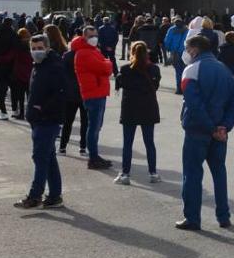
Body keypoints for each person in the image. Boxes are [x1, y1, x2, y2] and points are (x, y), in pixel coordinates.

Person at [176, 34, 234, 231]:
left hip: (198, 131)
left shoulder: (191, 70)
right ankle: (224, 216)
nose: (186, 54)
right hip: (220, 132)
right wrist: (224, 126)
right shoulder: (224, 70)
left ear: (194, 50)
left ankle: (192, 218)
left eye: (187, 50)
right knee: (219, 173)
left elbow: (194, 105)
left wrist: (211, 128)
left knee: (193, 174)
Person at [13, 34, 67, 210]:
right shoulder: (39, 65)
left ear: (48, 48)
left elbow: (60, 94)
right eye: (33, 48)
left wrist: (40, 109)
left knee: (40, 157)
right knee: (48, 157)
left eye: (39, 48)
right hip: (38, 119)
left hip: (47, 119)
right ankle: (55, 195)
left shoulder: (54, 66)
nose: (36, 51)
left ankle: (35, 196)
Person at [114, 41, 162, 185]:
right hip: (148, 106)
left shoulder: (125, 69)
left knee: (127, 143)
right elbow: (156, 86)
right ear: (146, 53)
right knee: (149, 142)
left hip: (130, 107)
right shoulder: (154, 69)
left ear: (132, 52)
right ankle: (153, 173)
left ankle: (125, 173)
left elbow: (119, 84)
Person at [71, 26, 113, 169]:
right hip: (93, 93)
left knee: (96, 126)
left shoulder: (92, 51)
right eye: (90, 36)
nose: (94, 38)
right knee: (94, 127)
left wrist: (105, 63)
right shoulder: (84, 53)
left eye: (95, 35)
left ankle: (94, 155)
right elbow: (105, 68)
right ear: (84, 37)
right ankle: (93, 157)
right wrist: (107, 63)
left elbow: (104, 67)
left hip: (98, 92)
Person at [58, 30, 88, 156]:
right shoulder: (87, 55)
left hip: (70, 93)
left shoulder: (66, 56)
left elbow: (61, 74)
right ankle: (83, 147)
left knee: (68, 122)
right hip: (85, 92)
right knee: (85, 122)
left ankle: (62, 147)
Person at [0, 19, 18, 120]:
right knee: (13, 88)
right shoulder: (13, 34)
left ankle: (3, 111)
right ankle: (15, 110)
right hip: (11, 66)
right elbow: (16, 50)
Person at [9, 28, 34, 120]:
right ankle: (30, 113)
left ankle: (21, 113)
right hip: (30, 72)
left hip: (19, 72)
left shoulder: (17, 46)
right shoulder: (31, 45)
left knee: (20, 96)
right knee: (29, 96)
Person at [164, 18, 189, 94]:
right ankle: (185, 88)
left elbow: (167, 41)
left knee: (178, 71)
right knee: (185, 71)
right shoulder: (187, 30)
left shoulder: (171, 30)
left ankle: (179, 89)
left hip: (175, 52)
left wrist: (168, 48)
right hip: (185, 52)